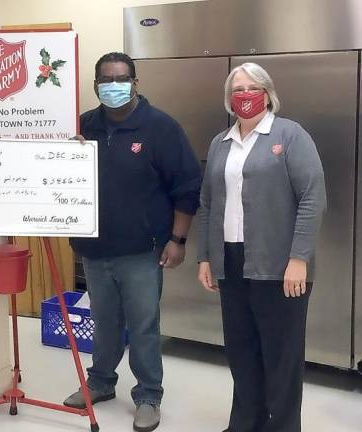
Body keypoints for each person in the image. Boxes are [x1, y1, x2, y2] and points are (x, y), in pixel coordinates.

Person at [65, 52, 202, 432]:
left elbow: (187, 187)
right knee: (103, 321)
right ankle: (101, 383)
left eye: (121, 78)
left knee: (143, 325)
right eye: (106, 79)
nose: (113, 85)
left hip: (144, 251)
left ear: (135, 83)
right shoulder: (83, 126)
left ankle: (148, 395)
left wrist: (177, 239)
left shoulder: (161, 128)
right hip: (93, 249)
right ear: (95, 86)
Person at [197, 62, 326, 432]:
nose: (244, 95)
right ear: (228, 98)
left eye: (252, 88)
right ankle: (245, 423)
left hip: (279, 263)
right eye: (237, 89)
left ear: (267, 94)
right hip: (232, 261)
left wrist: (299, 258)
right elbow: (208, 203)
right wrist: (206, 257)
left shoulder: (290, 135)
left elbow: (312, 198)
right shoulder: (220, 143)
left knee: (281, 355)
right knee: (241, 350)